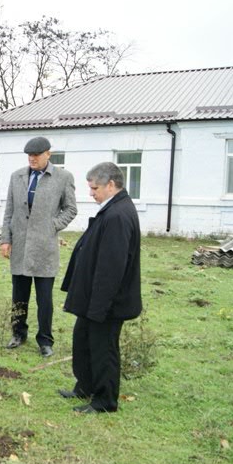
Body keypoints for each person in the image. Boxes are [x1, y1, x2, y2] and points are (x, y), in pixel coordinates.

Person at [59, 161, 142, 413]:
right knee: (83, 340)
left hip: (107, 303)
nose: (91, 193)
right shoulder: (111, 210)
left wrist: (99, 307)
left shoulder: (118, 215)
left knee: (103, 348)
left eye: (94, 188)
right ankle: (85, 386)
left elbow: (111, 268)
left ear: (111, 185)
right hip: (93, 298)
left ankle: (105, 400)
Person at [0, 136, 77, 357]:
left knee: (44, 299)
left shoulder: (63, 177)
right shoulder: (17, 177)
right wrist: (6, 239)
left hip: (45, 248)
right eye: (29, 155)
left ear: (48, 154)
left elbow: (71, 209)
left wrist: (53, 225)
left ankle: (45, 340)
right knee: (19, 295)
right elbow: (9, 211)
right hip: (20, 246)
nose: (32, 159)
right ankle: (18, 333)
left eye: (36, 155)